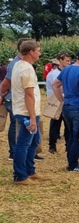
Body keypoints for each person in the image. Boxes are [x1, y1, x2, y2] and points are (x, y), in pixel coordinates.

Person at [52, 48, 79, 172]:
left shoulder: (66, 69)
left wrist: (61, 99)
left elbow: (55, 84)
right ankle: (73, 164)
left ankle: (72, 161)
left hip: (67, 107)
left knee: (71, 135)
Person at [11, 40, 42, 185]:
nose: (39, 53)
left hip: (24, 110)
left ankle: (30, 170)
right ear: (31, 52)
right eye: (38, 50)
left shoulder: (19, 65)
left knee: (35, 141)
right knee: (24, 144)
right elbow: (28, 94)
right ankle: (20, 175)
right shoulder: (27, 69)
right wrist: (32, 117)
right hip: (26, 112)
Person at [1, 38, 32, 160]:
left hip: (15, 98)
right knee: (15, 124)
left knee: (18, 124)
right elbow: (6, 83)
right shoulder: (15, 64)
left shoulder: (20, 63)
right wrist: (2, 95)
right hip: (13, 99)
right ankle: (13, 152)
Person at [46, 52, 72, 153]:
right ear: (60, 60)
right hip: (56, 101)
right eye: (67, 60)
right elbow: (58, 87)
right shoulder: (53, 74)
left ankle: (68, 145)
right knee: (55, 125)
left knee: (68, 125)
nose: (69, 63)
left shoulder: (68, 72)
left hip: (66, 101)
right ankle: (52, 146)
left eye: (69, 61)